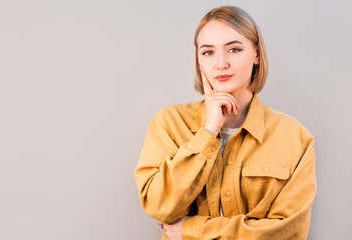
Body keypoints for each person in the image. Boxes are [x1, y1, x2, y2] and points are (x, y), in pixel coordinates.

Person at [133, 6, 316, 240]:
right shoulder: (168, 123)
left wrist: (192, 230)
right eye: (208, 52)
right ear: (198, 60)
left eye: (234, 49)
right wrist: (208, 132)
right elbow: (158, 206)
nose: (221, 63)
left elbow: (289, 231)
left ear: (257, 54)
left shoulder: (295, 137)